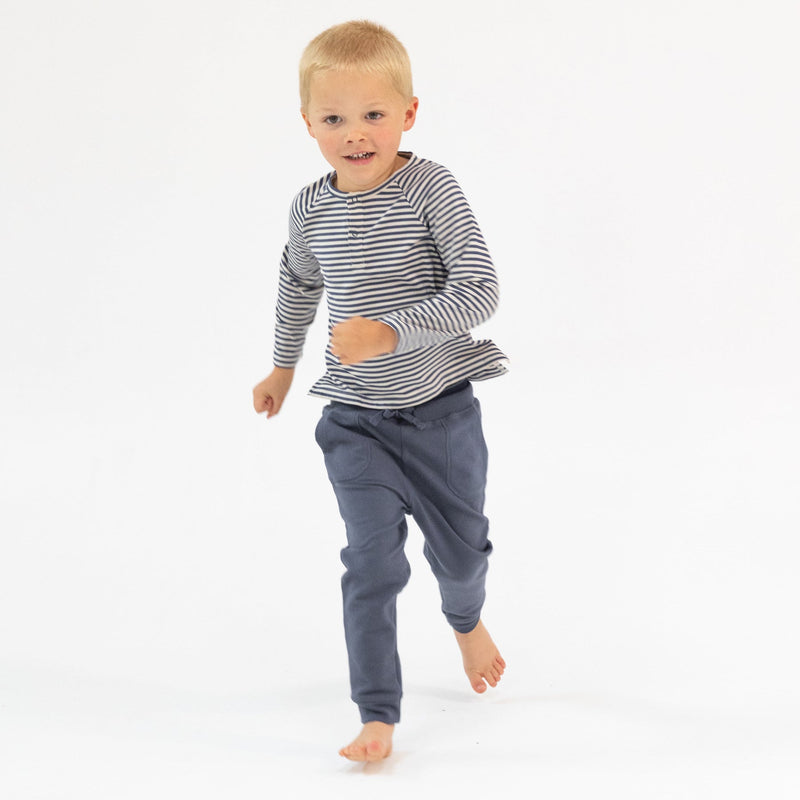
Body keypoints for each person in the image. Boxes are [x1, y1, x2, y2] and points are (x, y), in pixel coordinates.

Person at [252, 20, 507, 762]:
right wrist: (281, 367)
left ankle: (467, 622)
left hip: (442, 417)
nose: (355, 134)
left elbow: (481, 289)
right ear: (308, 125)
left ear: (409, 114)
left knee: (461, 556)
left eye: (373, 115)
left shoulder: (431, 187)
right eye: (334, 119)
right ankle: (377, 715)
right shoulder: (310, 207)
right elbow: (298, 284)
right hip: (355, 423)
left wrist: (392, 332)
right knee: (371, 564)